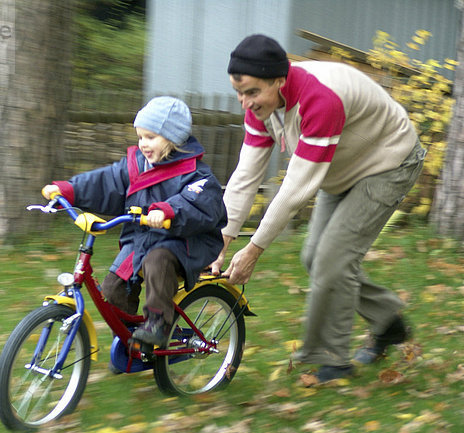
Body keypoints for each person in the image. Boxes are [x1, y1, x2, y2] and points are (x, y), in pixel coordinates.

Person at [211, 34, 426, 383]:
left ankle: (332, 358)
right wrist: (219, 239)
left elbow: (295, 189)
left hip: (389, 162)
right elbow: (245, 178)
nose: (244, 102)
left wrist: (253, 250)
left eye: (252, 92)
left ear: (280, 80)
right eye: (239, 92)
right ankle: (388, 322)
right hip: (339, 168)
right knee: (315, 257)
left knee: (333, 259)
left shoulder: (320, 100)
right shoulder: (261, 109)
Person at [43, 96, 227, 347]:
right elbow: (105, 182)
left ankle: (158, 324)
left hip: (185, 242)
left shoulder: (196, 175)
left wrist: (167, 211)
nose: (143, 144)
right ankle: (131, 342)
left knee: (158, 261)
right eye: (140, 137)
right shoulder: (136, 167)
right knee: (112, 287)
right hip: (143, 239)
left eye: (151, 137)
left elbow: (198, 203)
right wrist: (68, 190)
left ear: (172, 139)